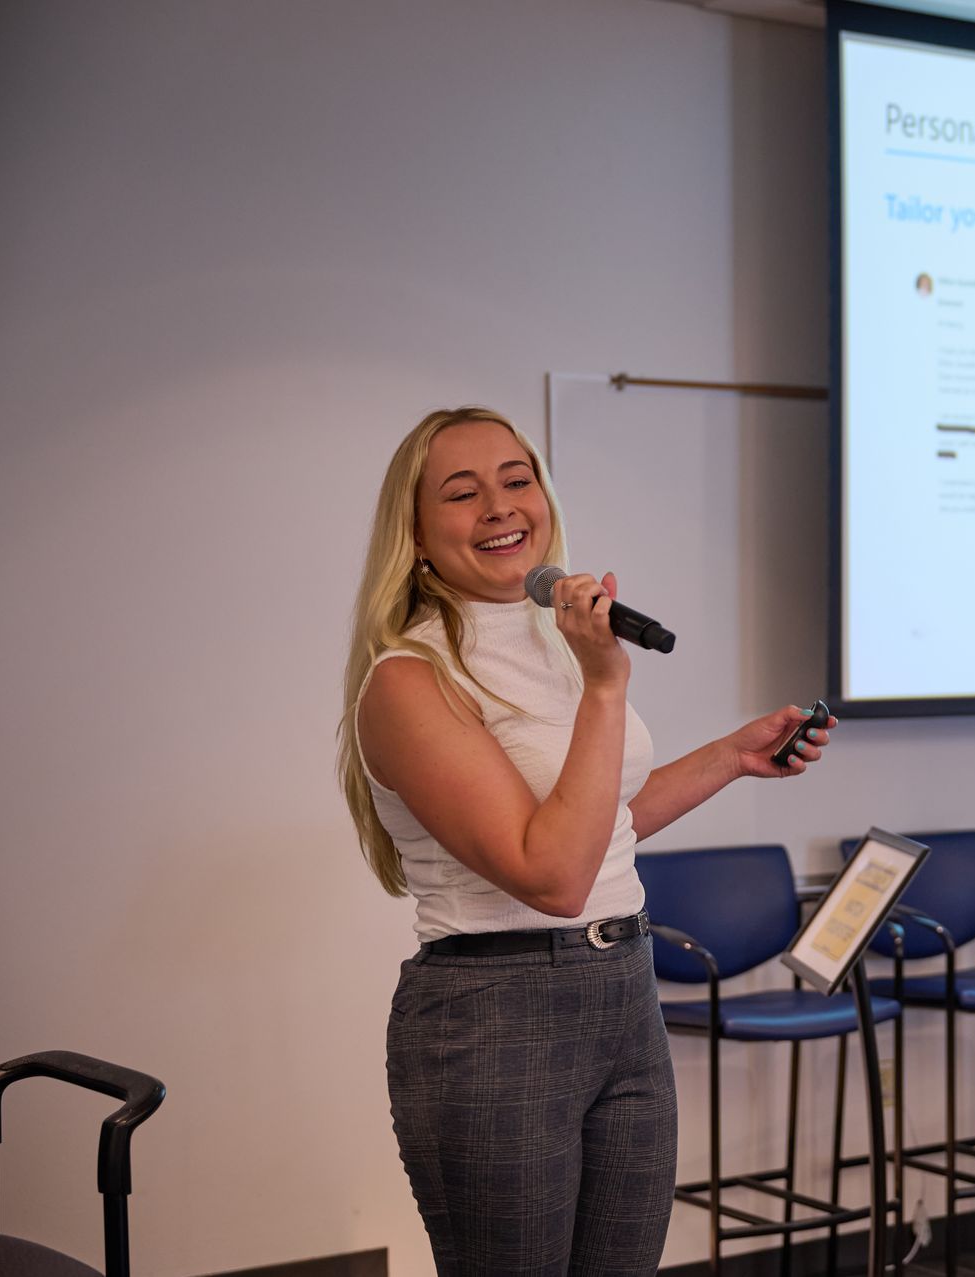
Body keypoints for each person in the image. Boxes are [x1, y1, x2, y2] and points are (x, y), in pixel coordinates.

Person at [338, 406, 836, 1274]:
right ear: (415, 536)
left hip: (623, 993)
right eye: (462, 493)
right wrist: (607, 685)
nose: (499, 506)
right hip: (495, 1013)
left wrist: (730, 757)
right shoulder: (409, 680)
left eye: (516, 479)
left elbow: (601, 832)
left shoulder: (555, 645)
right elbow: (553, 874)